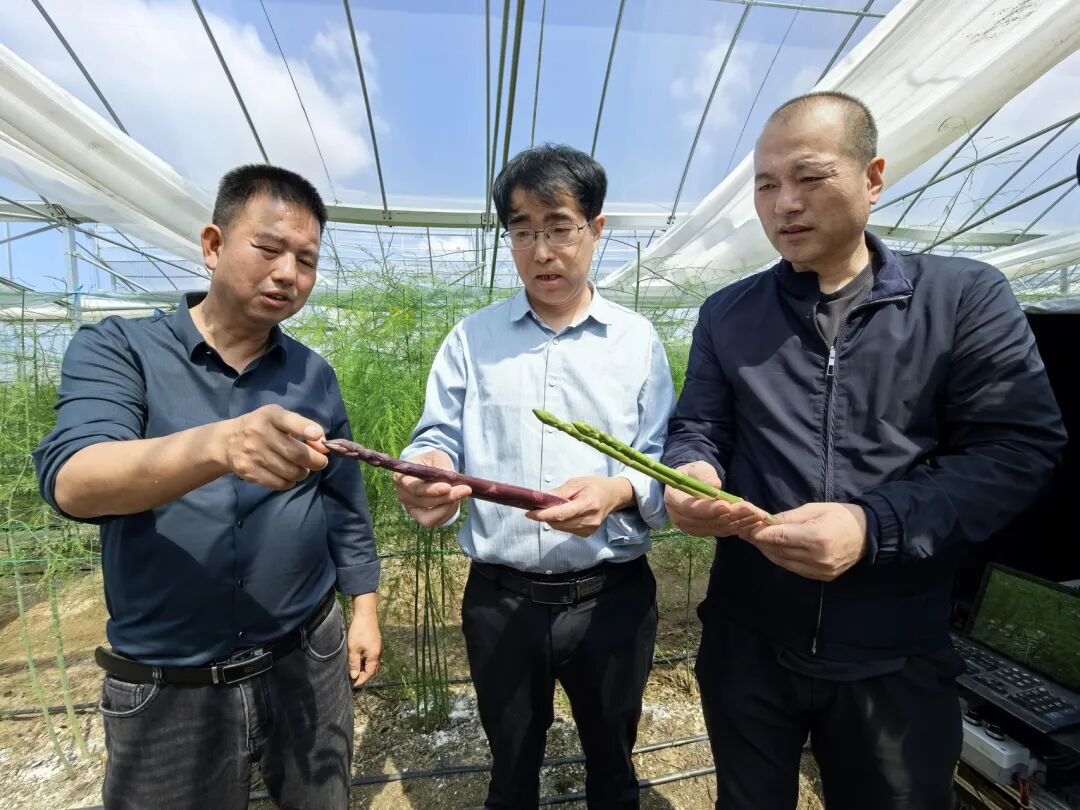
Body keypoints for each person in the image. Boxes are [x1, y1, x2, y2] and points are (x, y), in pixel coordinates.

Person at [662, 92, 1067, 810]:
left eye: (809, 176)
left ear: (873, 177)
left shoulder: (962, 298)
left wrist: (871, 525)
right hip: (749, 636)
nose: (785, 203)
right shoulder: (729, 313)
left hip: (896, 644)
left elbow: (1016, 450)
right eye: (765, 184)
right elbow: (700, 425)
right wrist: (691, 471)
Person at [33, 165, 381, 809]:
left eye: (306, 260)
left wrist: (363, 608)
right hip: (171, 683)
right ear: (214, 245)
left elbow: (343, 502)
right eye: (268, 248)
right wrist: (220, 446)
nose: (288, 273)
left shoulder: (313, 374)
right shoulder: (122, 350)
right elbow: (75, 480)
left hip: (308, 655)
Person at [395, 144, 675, 809]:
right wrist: (430, 469)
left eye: (559, 228)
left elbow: (661, 463)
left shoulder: (637, 342)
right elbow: (436, 437)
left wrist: (617, 492)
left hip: (611, 597)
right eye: (522, 232)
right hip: (502, 601)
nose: (542, 252)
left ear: (596, 230)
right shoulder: (472, 340)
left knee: (614, 762)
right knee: (511, 765)